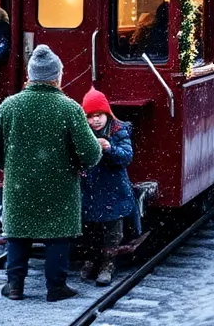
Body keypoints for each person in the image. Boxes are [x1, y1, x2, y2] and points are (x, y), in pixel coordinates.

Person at [0, 46, 102, 302]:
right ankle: (56, 287)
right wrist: (77, 165)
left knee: (18, 234)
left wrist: (10, 166)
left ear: (30, 76)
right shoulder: (69, 108)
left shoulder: (10, 106)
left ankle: (15, 285)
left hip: (19, 186)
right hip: (60, 186)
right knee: (57, 235)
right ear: (56, 77)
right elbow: (91, 153)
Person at [78, 87, 135, 286]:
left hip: (113, 188)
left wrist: (110, 149)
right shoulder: (82, 132)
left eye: (99, 115)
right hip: (90, 188)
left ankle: (107, 264)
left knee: (112, 231)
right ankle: (91, 259)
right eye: (90, 116)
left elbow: (126, 156)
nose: (95, 120)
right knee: (90, 229)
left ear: (107, 114)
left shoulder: (118, 130)